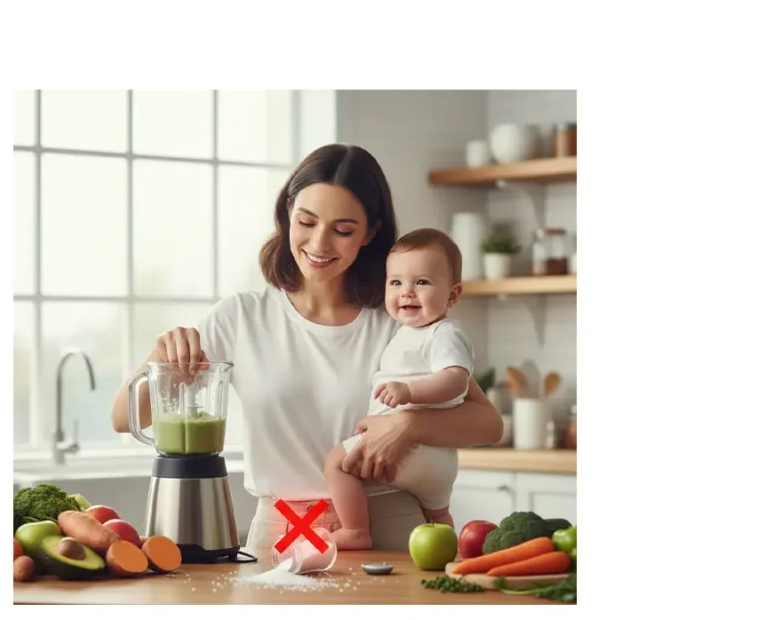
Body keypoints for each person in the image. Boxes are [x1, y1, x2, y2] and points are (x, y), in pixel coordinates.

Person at [110, 144, 503, 550]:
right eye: (306, 222)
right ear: (287, 214)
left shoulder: (399, 319)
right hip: (278, 534)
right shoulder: (241, 318)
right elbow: (124, 417)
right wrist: (162, 354)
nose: (319, 243)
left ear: (370, 233)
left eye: (342, 230)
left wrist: (408, 425)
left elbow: (488, 424)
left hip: (388, 528)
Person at [326, 228, 473, 551]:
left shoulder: (443, 333)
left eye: (422, 282)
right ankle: (447, 557)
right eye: (395, 282)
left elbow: (455, 380)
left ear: (452, 295)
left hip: (411, 451)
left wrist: (409, 392)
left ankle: (355, 530)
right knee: (437, 516)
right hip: (439, 465)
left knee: (336, 462)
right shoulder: (406, 332)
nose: (406, 292)